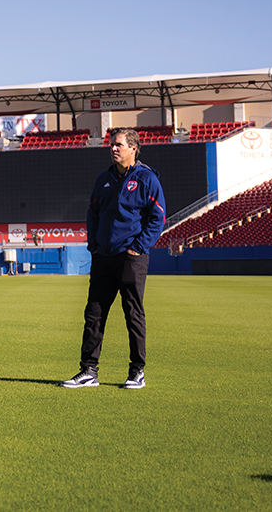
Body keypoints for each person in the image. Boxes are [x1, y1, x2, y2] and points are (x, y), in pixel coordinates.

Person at [63, 128, 166, 390]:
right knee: (94, 315)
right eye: (111, 145)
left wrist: (138, 247)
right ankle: (88, 371)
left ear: (134, 148)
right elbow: (93, 213)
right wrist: (93, 245)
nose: (113, 149)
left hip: (131, 257)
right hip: (103, 257)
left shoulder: (146, 179)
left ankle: (137, 372)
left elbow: (158, 218)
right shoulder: (104, 179)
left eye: (118, 145)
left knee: (133, 314)